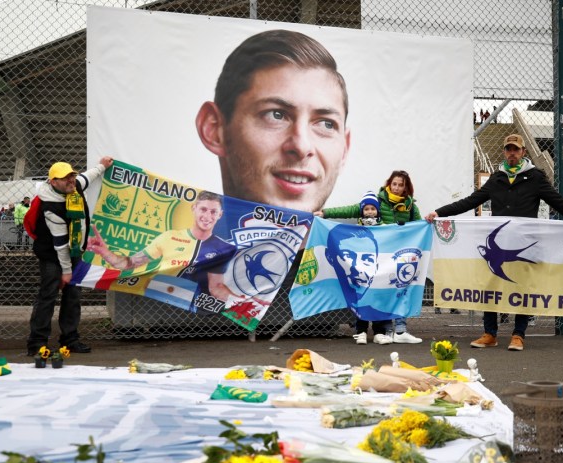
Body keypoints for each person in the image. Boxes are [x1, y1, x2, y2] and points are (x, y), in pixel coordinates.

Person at [425, 133, 563, 352]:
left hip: (524, 244)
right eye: (508, 149)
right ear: (504, 152)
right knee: (491, 287)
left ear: (523, 152)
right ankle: (490, 333)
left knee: (523, 289)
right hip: (496, 248)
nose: (512, 153)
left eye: (515, 149)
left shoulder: (535, 177)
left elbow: (559, 203)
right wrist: (439, 213)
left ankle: (518, 334)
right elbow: (470, 201)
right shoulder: (496, 178)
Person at [195, 29, 350, 214]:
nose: (302, 147)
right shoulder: (166, 243)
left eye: (326, 124)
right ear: (214, 130)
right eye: (275, 115)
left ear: (344, 150)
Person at [316, 170, 423, 344]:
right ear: (389, 184)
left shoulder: (411, 206)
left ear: (406, 188)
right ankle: (378, 330)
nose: (396, 188)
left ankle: (398, 330)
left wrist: (427, 224)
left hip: (399, 254)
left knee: (399, 288)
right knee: (376, 289)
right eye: (394, 184)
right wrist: (326, 213)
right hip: (378, 256)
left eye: (400, 185)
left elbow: (418, 226)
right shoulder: (378, 201)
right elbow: (351, 209)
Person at [86, 190, 238, 304]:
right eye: (203, 209)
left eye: (213, 212)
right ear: (194, 208)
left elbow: (216, 287)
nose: (208, 216)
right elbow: (129, 264)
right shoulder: (169, 237)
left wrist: (242, 301)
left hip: (199, 307)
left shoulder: (224, 247)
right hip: (163, 301)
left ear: (220, 215)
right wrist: (105, 252)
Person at [27, 157, 113, 356]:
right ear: (53, 182)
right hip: (53, 255)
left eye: (71, 175)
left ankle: (70, 339)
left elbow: (87, 177)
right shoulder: (50, 206)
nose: (71, 180)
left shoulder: (74, 187)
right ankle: (37, 343)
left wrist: (102, 166)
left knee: (73, 296)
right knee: (48, 296)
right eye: (65, 178)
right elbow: (60, 244)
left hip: (74, 252)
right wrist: (66, 272)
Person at [344, 192, 394, 345]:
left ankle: (379, 332)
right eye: (366, 209)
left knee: (380, 300)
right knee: (361, 300)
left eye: (373, 208)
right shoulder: (356, 229)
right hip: (362, 272)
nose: (370, 212)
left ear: (378, 210)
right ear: (362, 211)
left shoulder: (386, 228)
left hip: (380, 272)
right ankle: (361, 332)